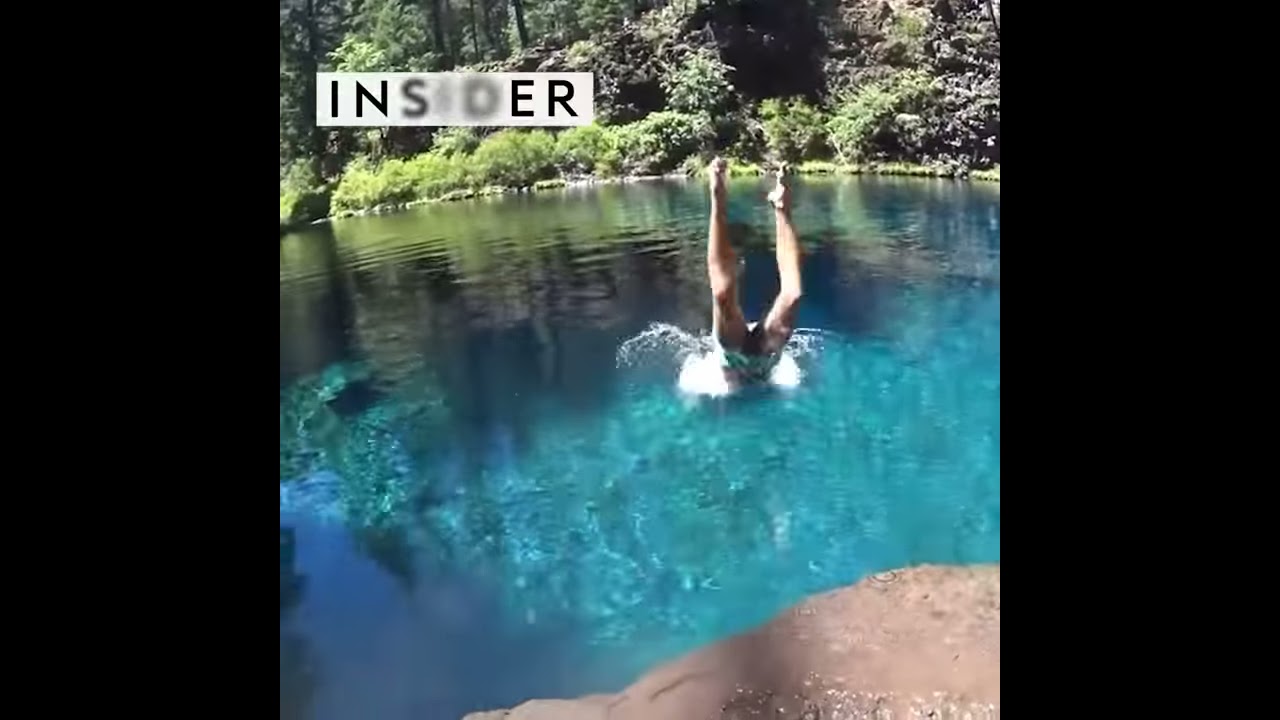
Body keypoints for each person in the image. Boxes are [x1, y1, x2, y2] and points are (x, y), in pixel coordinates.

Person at [705, 156, 803, 387]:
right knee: (722, 295)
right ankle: (718, 196)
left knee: (794, 296)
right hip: (732, 354)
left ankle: (781, 206)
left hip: (759, 351)